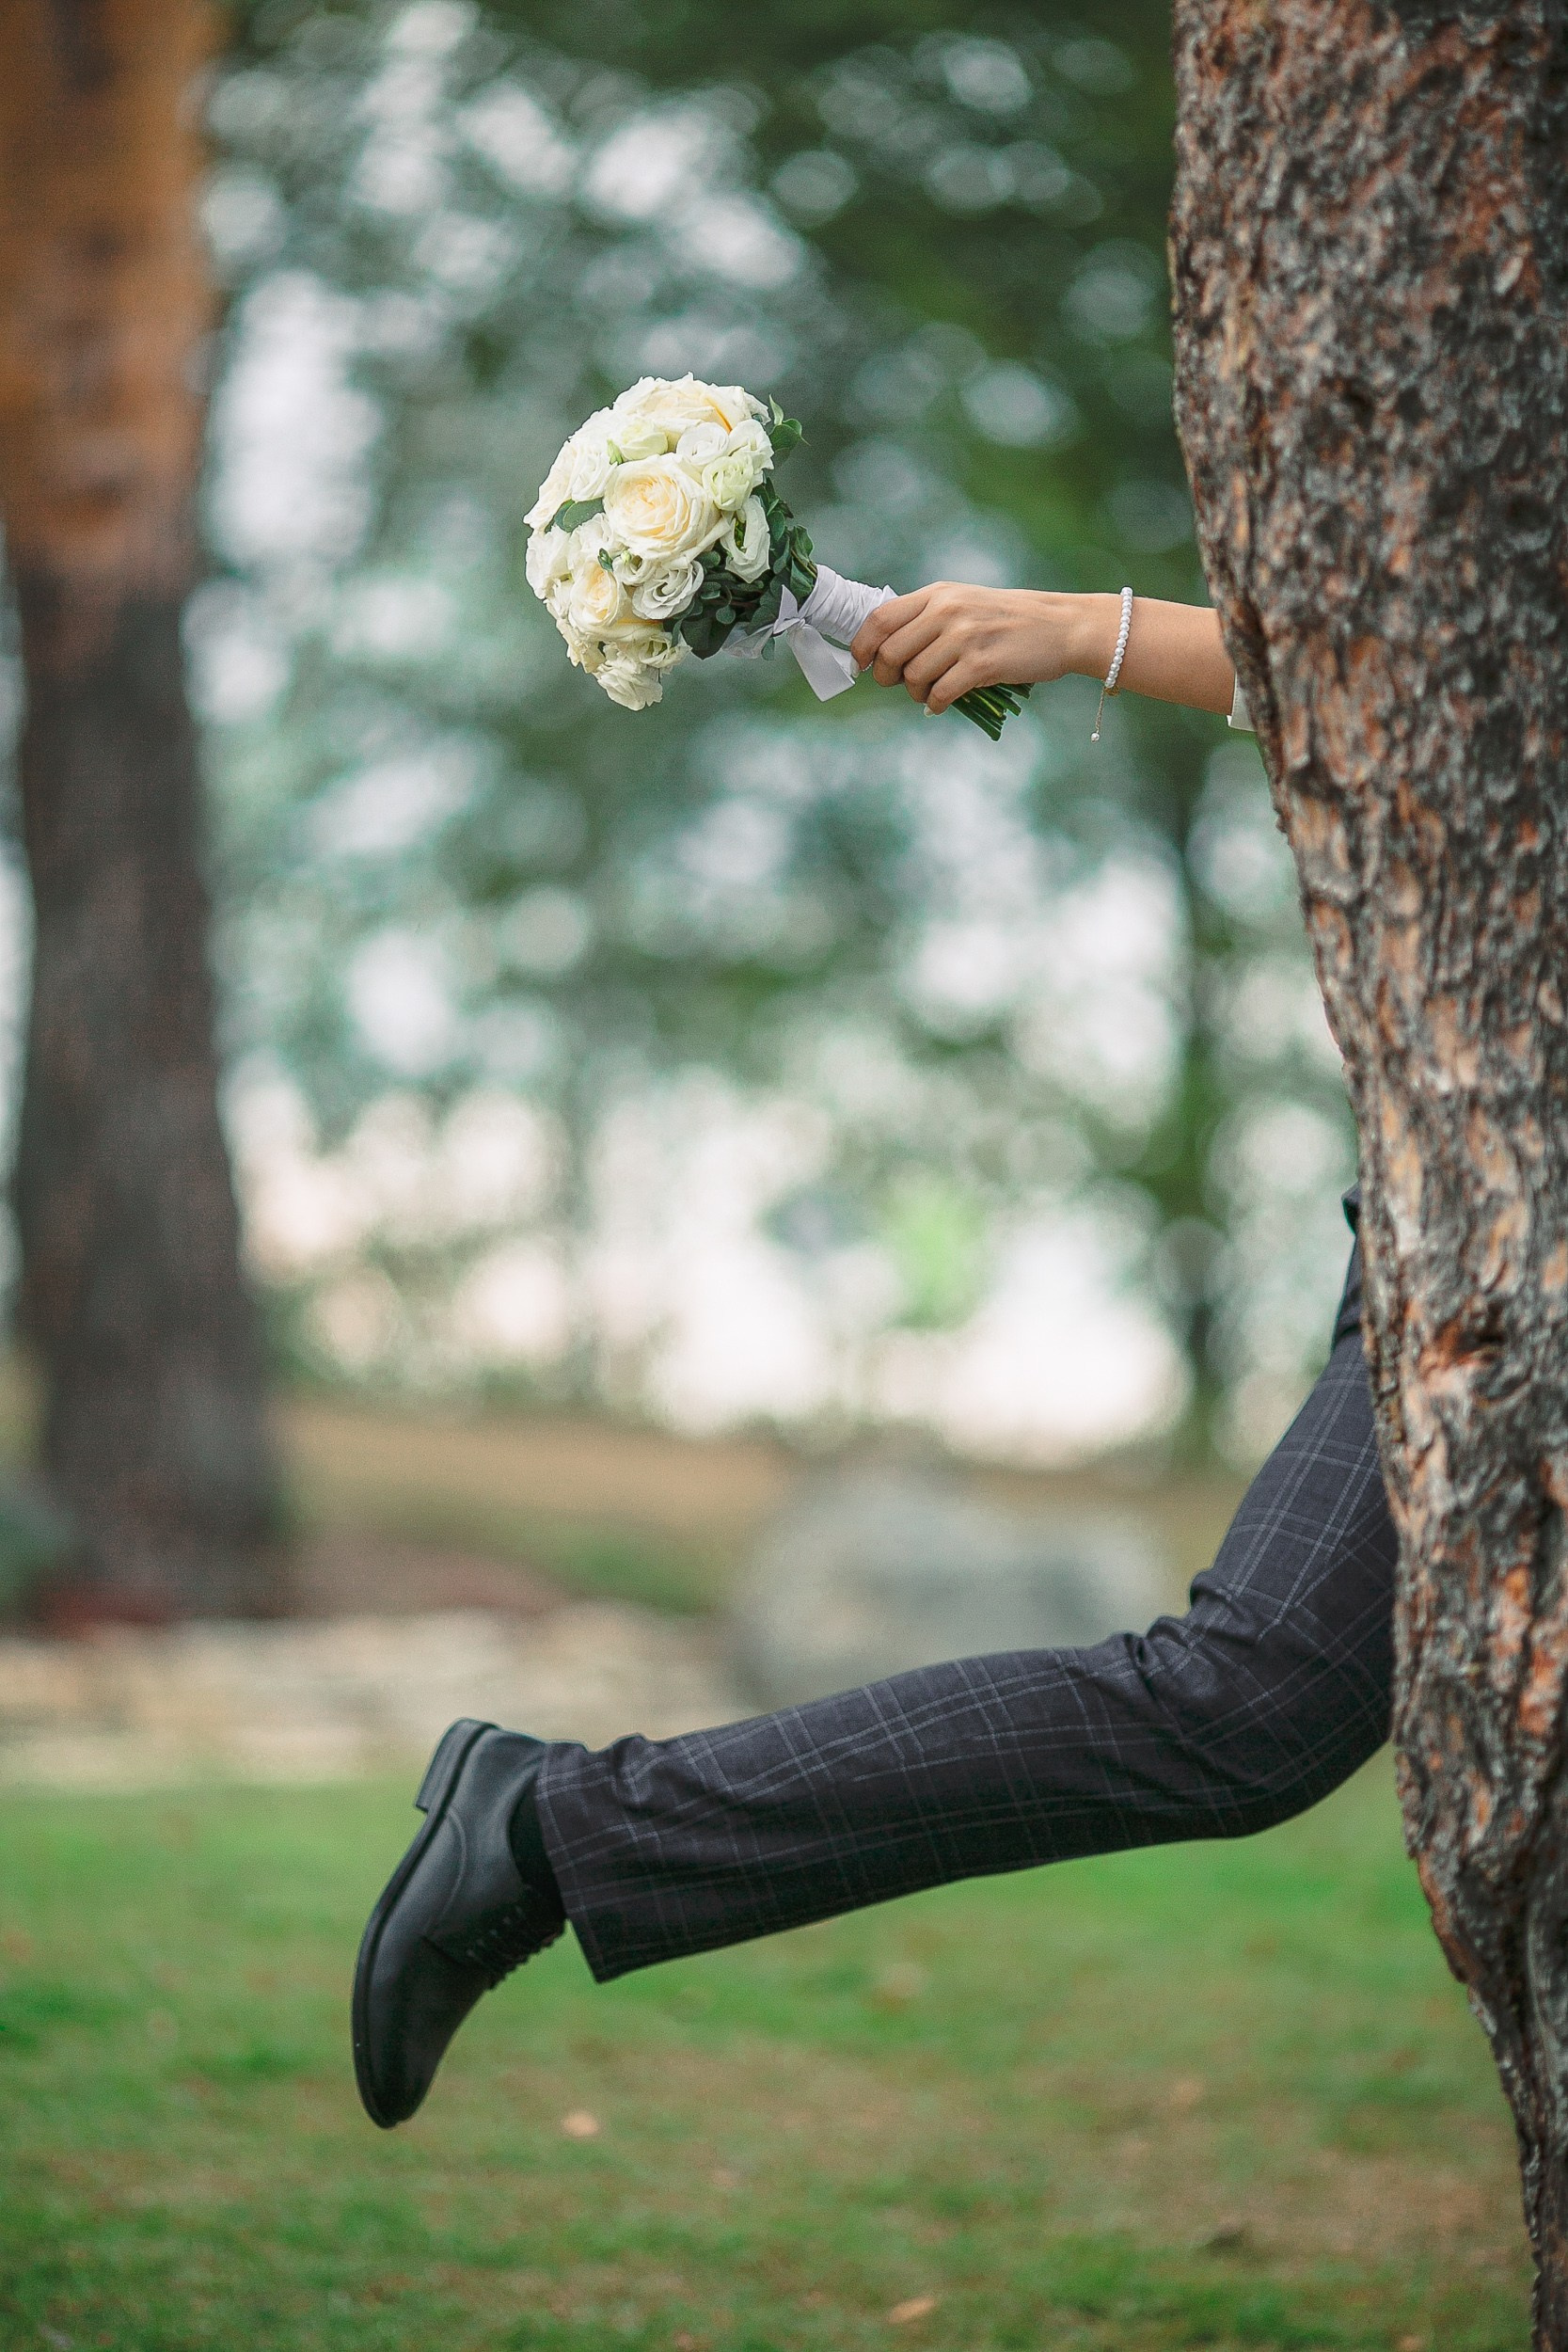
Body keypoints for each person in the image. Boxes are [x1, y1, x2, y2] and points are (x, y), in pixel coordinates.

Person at [352, 587, 1393, 2131]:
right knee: (1251, 1704)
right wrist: (1081, 631)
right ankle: (558, 1830)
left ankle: (561, 1828)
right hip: (1517, 1224)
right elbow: (1425, 668)